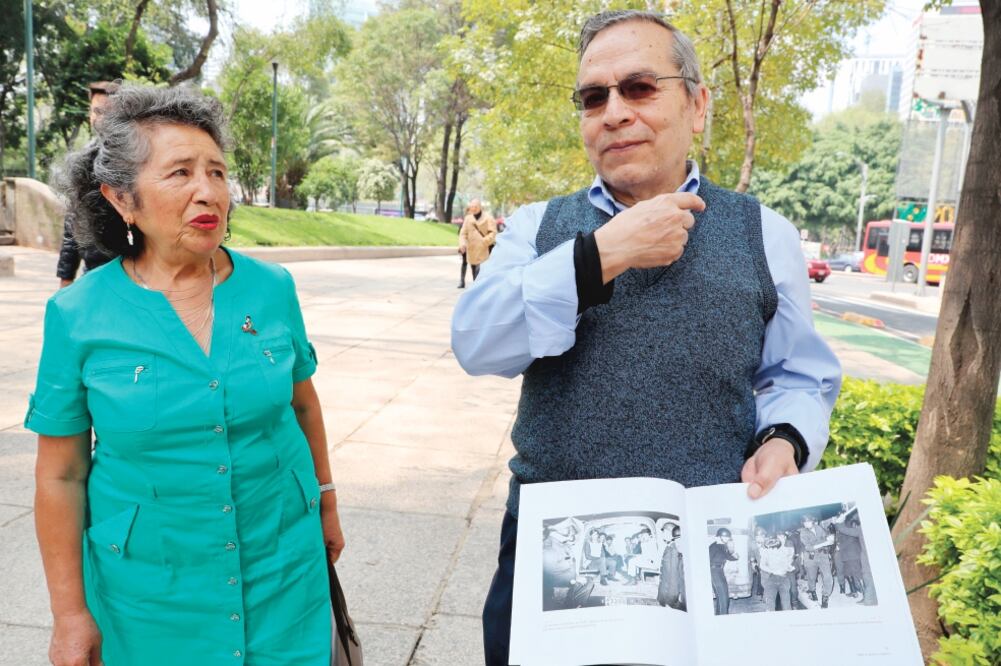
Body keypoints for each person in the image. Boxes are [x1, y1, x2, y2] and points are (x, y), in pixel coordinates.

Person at [450, 10, 840, 663]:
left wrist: (785, 439)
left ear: (697, 103)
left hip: (706, 555)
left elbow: (797, 375)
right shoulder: (539, 228)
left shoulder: (762, 233)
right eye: (592, 97)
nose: (612, 112)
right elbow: (477, 341)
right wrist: (595, 258)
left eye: (638, 88)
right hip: (554, 556)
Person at [28, 84, 345, 665]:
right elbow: (60, 476)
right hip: (148, 592)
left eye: (218, 172)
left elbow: (303, 405)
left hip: (282, 567)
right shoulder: (78, 314)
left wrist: (326, 501)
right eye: (180, 173)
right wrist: (69, 615)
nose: (210, 191)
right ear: (123, 199)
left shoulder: (271, 289)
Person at [56, 81, 120, 287]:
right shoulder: (82, 160)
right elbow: (72, 220)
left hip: (132, 268)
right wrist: (65, 279)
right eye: (95, 111)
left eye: (106, 111)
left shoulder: (139, 158)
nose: (99, 117)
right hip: (93, 271)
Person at [457, 198, 497, 288]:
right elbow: (463, 233)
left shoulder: (488, 218)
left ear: (480, 207)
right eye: (472, 206)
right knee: (474, 271)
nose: (473, 208)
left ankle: (479, 289)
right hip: (471, 249)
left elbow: (493, 233)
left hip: (483, 250)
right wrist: (462, 244)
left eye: (475, 206)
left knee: (480, 271)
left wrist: (485, 241)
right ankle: (475, 287)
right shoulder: (468, 218)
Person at [798, 513, 835, 608]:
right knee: (811, 577)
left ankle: (825, 597)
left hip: (823, 555)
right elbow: (809, 547)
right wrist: (824, 543)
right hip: (810, 557)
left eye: (808, 521)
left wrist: (830, 538)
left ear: (812, 521)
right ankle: (812, 591)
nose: (806, 524)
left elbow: (825, 537)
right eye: (804, 522)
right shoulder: (803, 532)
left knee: (828, 577)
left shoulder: (819, 528)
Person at [759, 534, 795, 611]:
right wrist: (773, 571)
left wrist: (789, 567)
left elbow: (788, 561)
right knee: (770, 603)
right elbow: (762, 565)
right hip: (771, 579)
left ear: (776, 548)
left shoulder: (784, 552)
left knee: (786, 603)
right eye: (768, 548)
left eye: (771, 548)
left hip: (784, 579)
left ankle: (789, 619)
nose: (769, 550)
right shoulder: (766, 553)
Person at [709, 528, 739, 615]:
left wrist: (735, 554)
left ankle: (720, 616)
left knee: (723, 597)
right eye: (725, 537)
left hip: (720, 571)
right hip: (713, 572)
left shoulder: (723, 546)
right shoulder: (713, 547)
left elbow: (730, 557)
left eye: (728, 538)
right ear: (719, 537)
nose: (727, 539)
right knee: (723, 598)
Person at [657, 523, 685, 610]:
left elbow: (674, 576)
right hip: (665, 592)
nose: (662, 534)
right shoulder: (669, 546)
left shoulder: (674, 549)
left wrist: (671, 598)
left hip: (670, 595)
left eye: (664, 532)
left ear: (671, 533)